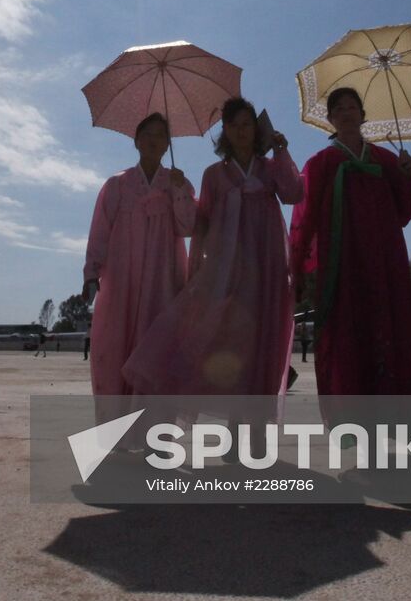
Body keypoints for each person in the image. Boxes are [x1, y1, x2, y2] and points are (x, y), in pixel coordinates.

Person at [123, 98, 302, 449]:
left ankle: (257, 434)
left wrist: (282, 153)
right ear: (226, 132)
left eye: (247, 124)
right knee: (228, 348)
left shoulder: (268, 170)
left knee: (263, 347)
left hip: (266, 273)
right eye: (233, 124)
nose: (241, 130)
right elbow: (201, 226)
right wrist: (196, 272)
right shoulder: (214, 175)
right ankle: (235, 434)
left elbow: (295, 193)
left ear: (256, 129)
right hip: (227, 274)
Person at [288, 88, 411, 415]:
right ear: (330, 119)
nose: (347, 112)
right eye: (339, 108)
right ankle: (358, 430)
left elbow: (405, 211)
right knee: (348, 339)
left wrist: (409, 175)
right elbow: (304, 221)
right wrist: (299, 268)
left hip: (386, 263)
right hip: (342, 266)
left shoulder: (386, 159)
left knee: (392, 334)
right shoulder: (321, 162)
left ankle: (395, 424)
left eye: (353, 107)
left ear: (364, 115)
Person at [83, 113, 195, 425]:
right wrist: (91, 273)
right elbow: (100, 231)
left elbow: (188, 226)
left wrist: (180, 191)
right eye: (147, 134)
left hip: (164, 280)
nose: (154, 139)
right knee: (114, 348)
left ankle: (155, 432)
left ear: (167, 144)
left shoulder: (178, 183)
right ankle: (116, 428)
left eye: (161, 135)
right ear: (136, 141)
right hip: (122, 281)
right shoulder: (117, 185)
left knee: (158, 350)